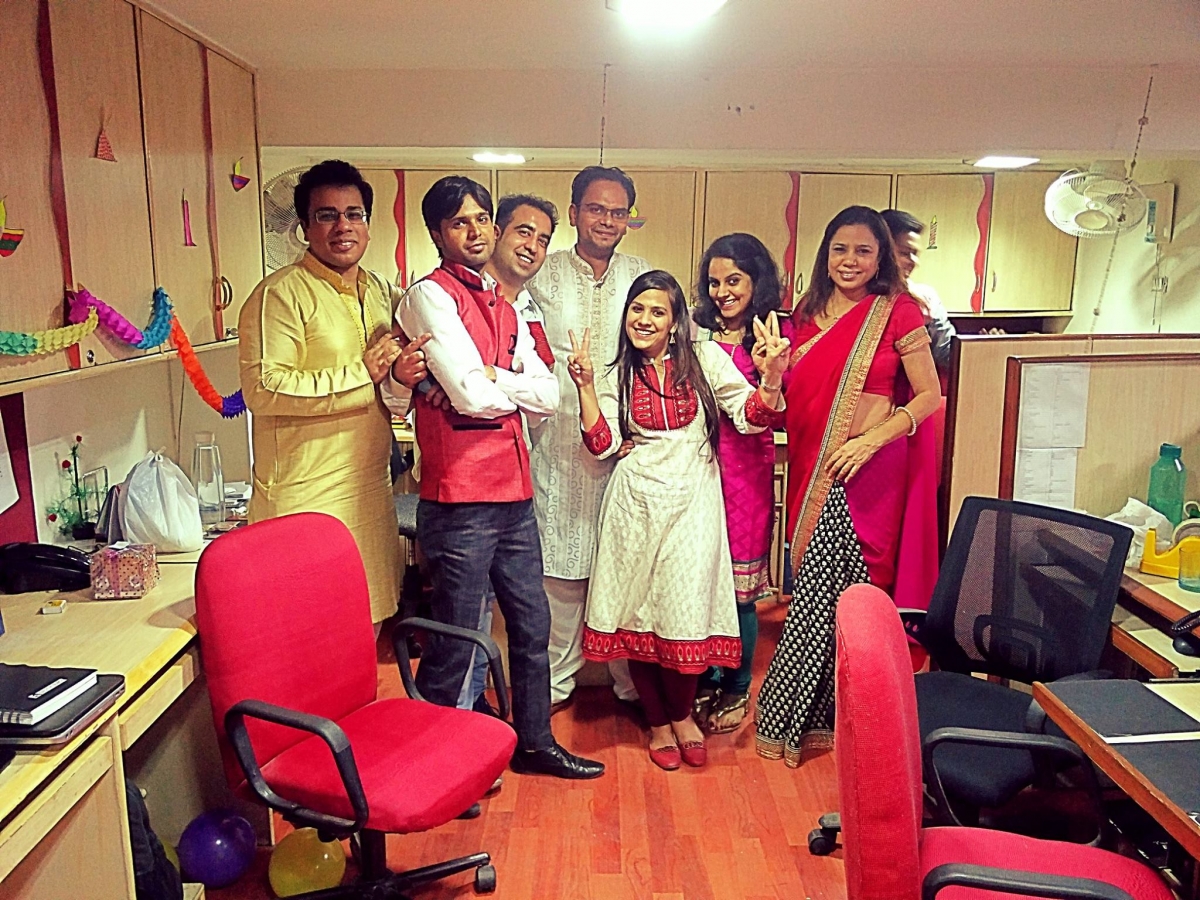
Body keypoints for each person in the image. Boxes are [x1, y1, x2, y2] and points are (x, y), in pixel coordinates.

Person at [395, 175, 604, 779]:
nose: (475, 232)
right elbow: (469, 396)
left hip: (515, 495)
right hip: (459, 499)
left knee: (532, 625)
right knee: (457, 637)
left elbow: (549, 396)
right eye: (459, 222)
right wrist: (493, 386)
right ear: (437, 233)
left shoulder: (505, 305)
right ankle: (439, 767)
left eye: (482, 219)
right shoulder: (428, 297)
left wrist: (492, 379)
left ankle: (534, 743)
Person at [568, 270, 790, 769]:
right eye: (637, 309)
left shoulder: (706, 359)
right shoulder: (616, 374)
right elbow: (602, 444)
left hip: (693, 503)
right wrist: (583, 387)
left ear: (675, 322)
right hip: (634, 505)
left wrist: (771, 378)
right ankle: (658, 723)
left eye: (657, 311)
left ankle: (683, 715)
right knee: (639, 615)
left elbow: (752, 416)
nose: (645, 320)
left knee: (684, 612)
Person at [755, 205, 941, 767]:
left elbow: (928, 396)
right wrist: (771, 375)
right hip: (813, 464)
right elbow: (786, 404)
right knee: (811, 599)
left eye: (864, 250)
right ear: (825, 254)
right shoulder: (805, 313)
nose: (850, 261)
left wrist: (871, 441)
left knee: (861, 599)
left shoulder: (898, 311)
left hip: (871, 472)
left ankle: (865, 718)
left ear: (881, 257)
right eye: (840, 249)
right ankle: (810, 721)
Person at [239, 159, 404, 625]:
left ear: (368, 224)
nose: (342, 226)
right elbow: (264, 387)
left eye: (354, 214)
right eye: (326, 215)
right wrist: (361, 373)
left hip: (369, 492)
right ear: (304, 227)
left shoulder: (380, 291)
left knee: (369, 623)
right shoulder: (280, 294)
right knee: (308, 632)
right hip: (304, 498)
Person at [526, 166, 652, 712]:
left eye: (617, 212)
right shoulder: (542, 274)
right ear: (574, 212)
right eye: (596, 209)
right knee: (560, 576)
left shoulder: (642, 276)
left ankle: (630, 685)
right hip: (557, 449)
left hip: (627, 454)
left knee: (625, 574)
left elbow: (670, 354)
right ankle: (555, 685)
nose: (607, 220)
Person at [690, 233, 794, 734]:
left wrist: (773, 371)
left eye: (734, 280)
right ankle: (706, 675)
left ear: (757, 281)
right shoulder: (696, 333)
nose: (722, 292)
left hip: (745, 475)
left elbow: (782, 411)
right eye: (714, 282)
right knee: (701, 583)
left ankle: (736, 684)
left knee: (739, 591)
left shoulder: (775, 335)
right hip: (696, 473)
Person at [880, 208, 956, 375]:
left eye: (915, 254)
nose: (913, 262)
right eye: (904, 253)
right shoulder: (855, 296)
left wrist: (988, 347)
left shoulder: (926, 299)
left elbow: (949, 355)